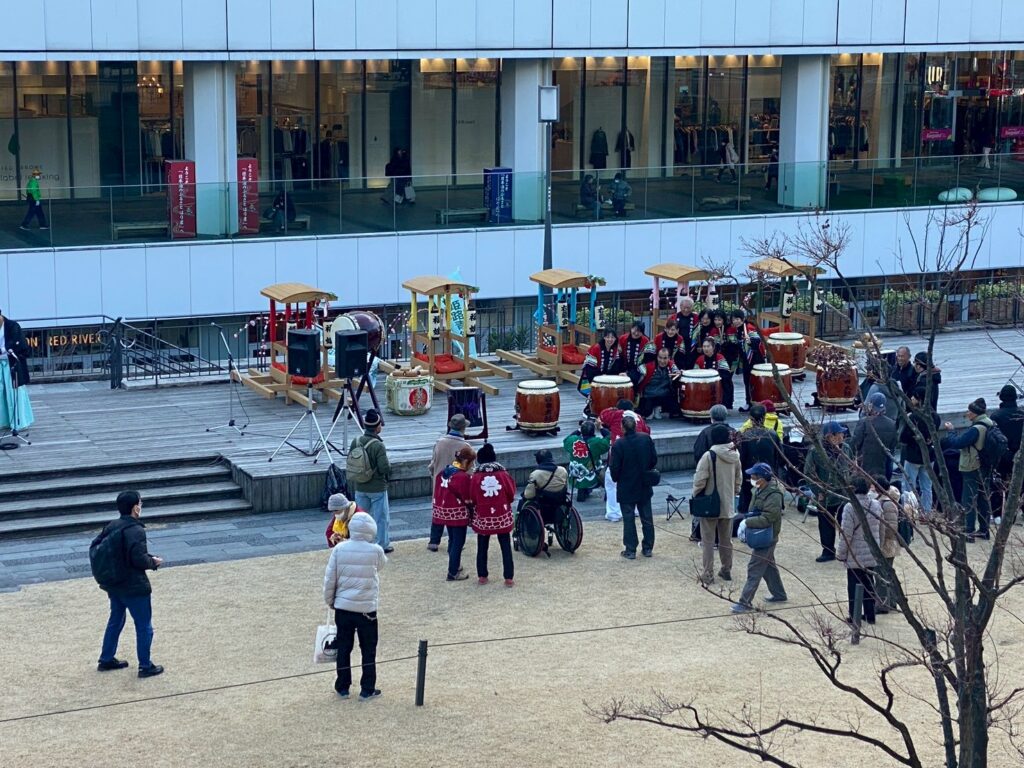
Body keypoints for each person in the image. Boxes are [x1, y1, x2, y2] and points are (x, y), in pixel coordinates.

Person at [95, 491, 164, 678]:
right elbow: (138, 559)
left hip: (115, 583)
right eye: (140, 503)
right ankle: (145, 665)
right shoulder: (136, 530)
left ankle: (106, 658)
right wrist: (153, 562)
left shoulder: (111, 526)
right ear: (135, 507)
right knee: (144, 625)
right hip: (133, 585)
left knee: (116, 619)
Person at [323, 511, 387, 699]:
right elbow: (382, 565)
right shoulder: (376, 551)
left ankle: (342, 685)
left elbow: (330, 579)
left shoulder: (339, 550)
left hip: (343, 607)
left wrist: (330, 600)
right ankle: (367, 688)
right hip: (367, 609)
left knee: (343, 646)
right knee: (368, 649)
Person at [732, 463, 787, 612]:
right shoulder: (760, 490)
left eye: (753, 477)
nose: (751, 479)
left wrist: (747, 522)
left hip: (767, 535)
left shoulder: (773, 495)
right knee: (768, 566)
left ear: (762, 479)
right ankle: (779, 594)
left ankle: (744, 602)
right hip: (763, 533)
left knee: (754, 567)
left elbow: (768, 518)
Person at [691, 424, 742, 583]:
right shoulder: (735, 454)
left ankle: (708, 574)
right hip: (728, 503)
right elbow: (738, 478)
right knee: (726, 540)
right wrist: (734, 492)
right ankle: (726, 569)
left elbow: (700, 480)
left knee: (708, 541)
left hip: (710, 504)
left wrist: (696, 494)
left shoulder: (709, 455)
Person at [942, 398, 997, 542]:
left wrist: (951, 431)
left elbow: (957, 443)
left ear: (974, 414)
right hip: (985, 465)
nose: (967, 414)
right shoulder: (990, 423)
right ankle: (984, 531)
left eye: (969, 412)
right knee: (983, 498)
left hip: (971, 466)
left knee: (969, 499)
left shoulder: (975, 429)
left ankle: (969, 531)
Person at [609, 413, 658, 559]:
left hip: (626, 485)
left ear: (622, 428)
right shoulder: (645, 439)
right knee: (647, 517)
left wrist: (616, 478)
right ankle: (648, 547)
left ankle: (630, 549)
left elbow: (615, 467)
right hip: (644, 482)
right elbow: (653, 459)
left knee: (629, 518)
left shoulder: (618, 444)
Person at [804, 421, 854, 562]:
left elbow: (851, 468)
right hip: (825, 495)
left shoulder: (846, 449)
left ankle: (848, 551)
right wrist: (817, 490)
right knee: (825, 524)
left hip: (844, 494)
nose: (843, 435)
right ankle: (828, 551)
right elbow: (808, 473)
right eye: (839, 433)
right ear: (830, 436)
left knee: (846, 525)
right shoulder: (816, 451)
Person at [836, 476, 882, 625]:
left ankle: (854, 617)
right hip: (872, 551)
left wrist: (841, 553)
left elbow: (846, 534)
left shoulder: (850, 507)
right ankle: (870, 615)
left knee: (854, 586)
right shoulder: (876, 504)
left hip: (855, 553)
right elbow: (881, 529)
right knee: (869, 585)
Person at [469, 443, 517, 587]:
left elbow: (472, 496)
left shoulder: (476, 476)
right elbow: (511, 493)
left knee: (482, 546)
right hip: (501, 512)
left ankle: (482, 575)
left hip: (483, 514)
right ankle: (508, 577)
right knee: (505, 546)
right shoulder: (503, 473)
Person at [348, 409, 393, 553]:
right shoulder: (378, 445)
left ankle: (358, 542)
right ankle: (382, 544)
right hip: (377, 487)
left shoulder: (355, 441)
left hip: (359, 485)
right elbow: (384, 467)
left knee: (360, 518)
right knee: (381, 518)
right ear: (377, 426)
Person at [598, 399, 651, 522]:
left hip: (618, 453)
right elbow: (647, 432)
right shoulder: (639, 418)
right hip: (636, 457)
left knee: (611, 483)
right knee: (635, 483)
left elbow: (603, 415)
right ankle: (636, 510)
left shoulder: (617, 414)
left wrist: (613, 409)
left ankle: (614, 513)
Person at [431, 446, 476, 580]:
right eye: (472, 462)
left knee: (452, 539)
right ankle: (453, 572)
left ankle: (454, 565)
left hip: (443, 510)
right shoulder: (462, 477)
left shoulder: (445, 471)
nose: (472, 465)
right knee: (458, 542)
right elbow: (467, 497)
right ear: (466, 461)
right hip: (457, 512)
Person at [899, 388, 940, 517]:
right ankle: (926, 512)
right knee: (927, 486)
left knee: (908, 486)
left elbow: (903, 438)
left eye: (913, 397)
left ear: (919, 399)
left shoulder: (914, 417)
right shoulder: (935, 416)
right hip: (929, 455)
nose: (911, 399)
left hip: (913, 455)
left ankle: (909, 511)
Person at [737, 403, 782, 514]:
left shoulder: (745, 435)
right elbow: (780, 456)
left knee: (747, 505)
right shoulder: (772, 434)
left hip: (749, 475)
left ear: (751, 419)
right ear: (764, 417)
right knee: (767, 505)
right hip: (768, 474)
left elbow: (741, 458)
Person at [990, 384, 1024, 523]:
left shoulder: (996, 416)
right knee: (1020, 484)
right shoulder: (1021, 415)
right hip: (1020, 455)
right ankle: (1018, 511)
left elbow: (992, 438)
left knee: (998, 485)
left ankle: (997, 514)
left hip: (1002, 456)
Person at [0, 308, 34, 432]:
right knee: (1, 393)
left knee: (14, 392)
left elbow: (18, 346)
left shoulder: (13, 326)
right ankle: (3, 422)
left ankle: (20, 422)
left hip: (12, 364)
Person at [851, 392, 898, 480]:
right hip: (883, 466)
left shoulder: (864, 422)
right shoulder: (891, 424)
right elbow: (893, 444)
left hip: (865, 466)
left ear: (871, 405)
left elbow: (855, 443)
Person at [872, 478, 902, 615]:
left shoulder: (887, 503)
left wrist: (880, 542)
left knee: (882, 575)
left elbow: (891, 528)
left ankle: (883, 604)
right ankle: (890, 602)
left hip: (887, 545)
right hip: (887, 544)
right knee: (885, 573)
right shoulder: (884, 500)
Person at [563, 419, 610, 502]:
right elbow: (608, 438)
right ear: (593, 432)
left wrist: (578, 430)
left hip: (575, 475)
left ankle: (584, 490)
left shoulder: (573, 440)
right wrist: (601, 428)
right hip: (592, 474)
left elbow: (566, 439)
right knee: (604, 470)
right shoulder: (596, 442)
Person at [580, 329, 622, 412]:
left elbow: (616, 367)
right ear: (604, 337)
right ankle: (591, 408)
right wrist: (600, 377)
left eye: (612, 337)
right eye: (608, 337)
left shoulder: (615, 349)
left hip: (607, 378)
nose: (610, 339)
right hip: (592, 376)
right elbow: (589, 368)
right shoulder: (595, 348)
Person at [635, 347, 682, 419]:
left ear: (669, 358)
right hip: (649, 396)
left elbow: (677, 372)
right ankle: (652, 410)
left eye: (665, 358)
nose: (662, 361)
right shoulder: (648, 367)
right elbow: (635, 373)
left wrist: (679, 373)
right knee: (646, 413)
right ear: (657, 357)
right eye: (660, 358)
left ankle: (658, 408)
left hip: (664, 396)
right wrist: (627, 374)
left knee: (676, 410)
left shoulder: (671, 366)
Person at [693, 337, 732, 408]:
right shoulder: (700, 359)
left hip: (717, 385)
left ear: (713, 347)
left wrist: (714, 373)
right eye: (704, 346)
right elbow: (695, 374)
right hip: (703, 385)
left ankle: (724, 403)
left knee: (727, 381)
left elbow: (726, 374)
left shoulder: (720, 357)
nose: (706, 349)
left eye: (708, 346)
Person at [672, 296, 701, 369]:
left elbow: (699, 333)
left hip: (692, 347)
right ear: (680, 306)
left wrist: (699, 345)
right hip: (678, 347)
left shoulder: (696, 317)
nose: (686, 310)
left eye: (688, 307)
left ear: (692, 307)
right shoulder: (674, 317)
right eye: (684, 307)